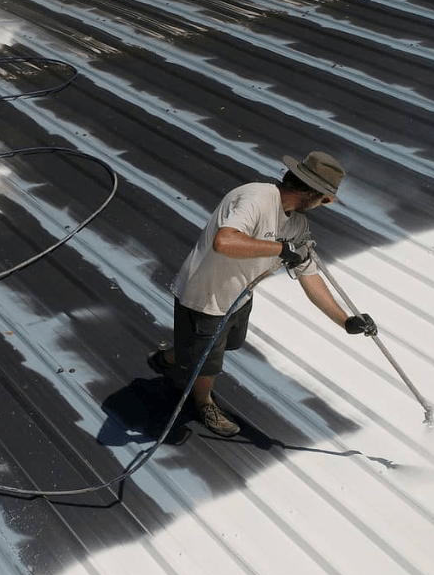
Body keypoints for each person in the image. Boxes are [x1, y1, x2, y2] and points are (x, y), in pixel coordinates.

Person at [148, 151, 378, 438]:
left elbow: (310, 276)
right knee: (208, 361)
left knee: (222, 345)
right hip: (205, 297)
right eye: (325, 199)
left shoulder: (297, 225)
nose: (324, 205)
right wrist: (280, 250)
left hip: (239, 295)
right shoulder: (257, 198)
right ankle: (203, 402)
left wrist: (346, 321)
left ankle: (171, 357)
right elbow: (225, 241)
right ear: (311, 192)